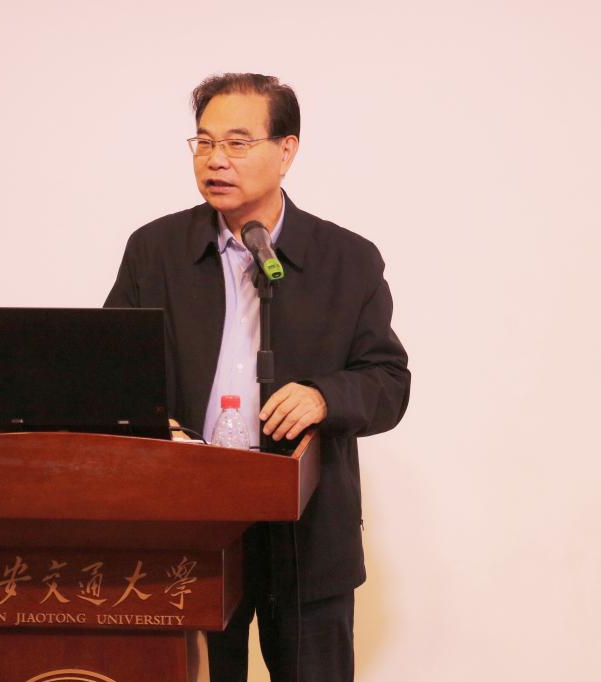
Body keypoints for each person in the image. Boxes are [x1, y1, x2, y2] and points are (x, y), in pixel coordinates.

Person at [104, 73, 411, 682]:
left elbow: (388, 381)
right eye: (203, 142)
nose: (215, 159)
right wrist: (155, 427)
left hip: (306, 529)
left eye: (237, 143)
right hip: (190, 522)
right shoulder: (155, 250)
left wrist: (324, 396)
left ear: (286, 149)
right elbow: (113, 372)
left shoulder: (347, 260)